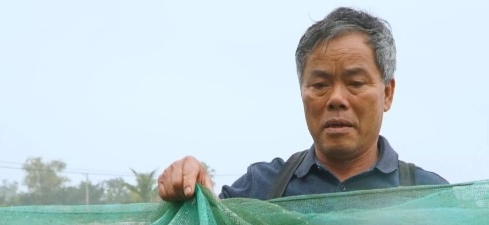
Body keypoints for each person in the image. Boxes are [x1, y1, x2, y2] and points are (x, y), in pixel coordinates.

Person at [157, 7, 447, 202]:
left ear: (387, 93)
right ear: (302, 92)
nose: (336, 99)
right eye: (320, 85)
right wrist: (192, 194)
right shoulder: (261, 189)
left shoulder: (431, 197)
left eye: (356, 83)